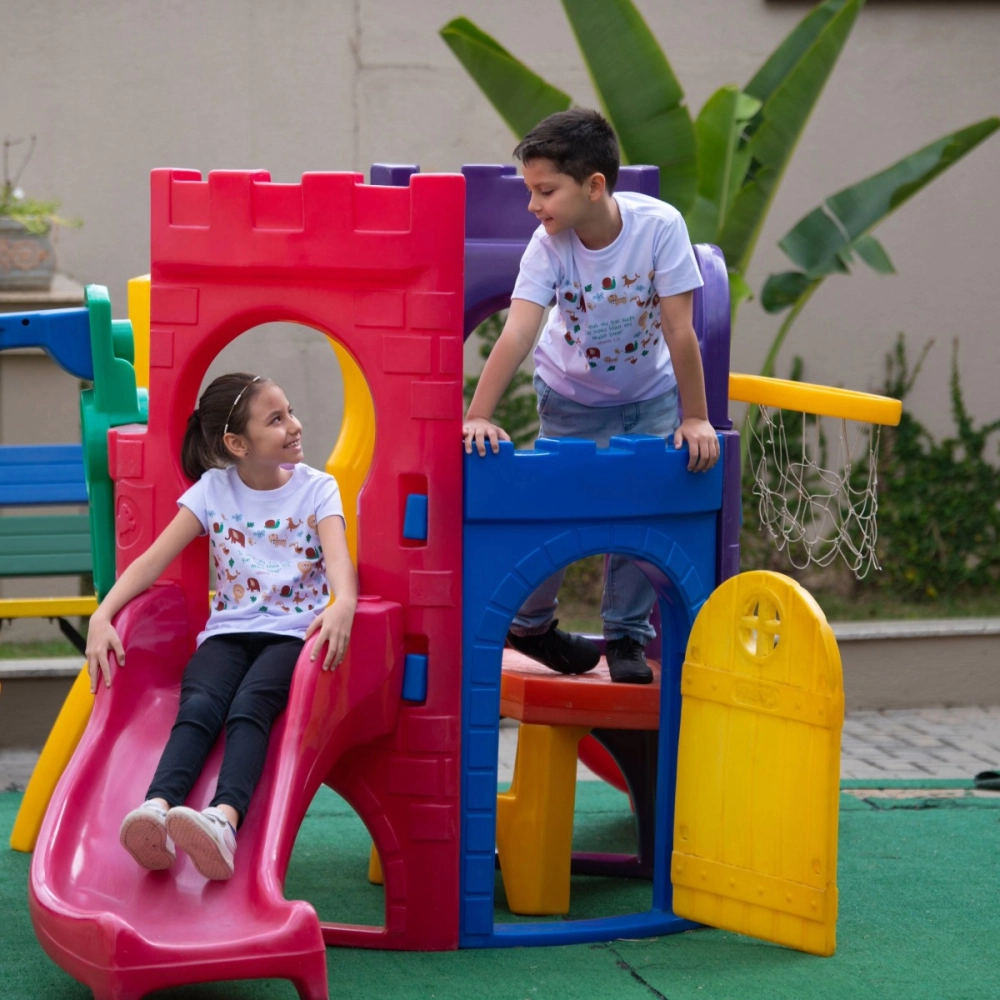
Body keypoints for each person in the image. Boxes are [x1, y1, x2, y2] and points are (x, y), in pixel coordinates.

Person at [463, 109, 720, 685]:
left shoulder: (659, 227)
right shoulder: (548, 245)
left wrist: (696, 416)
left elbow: (681, 328)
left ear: (594, 184)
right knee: (562, 506)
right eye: (531, 190)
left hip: (649, 396)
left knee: (640, 510)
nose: (534, 205)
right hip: (570, 398)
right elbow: (519, 330)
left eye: (546, 191)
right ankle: (529, 624)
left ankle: (626, 636)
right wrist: (478, 414)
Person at [85, 372, 358, 881]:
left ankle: (223, 822)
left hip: (293, 633)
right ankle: (156, 809)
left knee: (249, 707)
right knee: (200, 704)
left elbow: (340, 561)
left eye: (290, 412)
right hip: (228, 632)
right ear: (237, 443)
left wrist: (345, 603)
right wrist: (103, 614)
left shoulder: (318, 489)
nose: (294, 426)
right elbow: (151, 560)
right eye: (276, 420)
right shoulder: (214, 490)